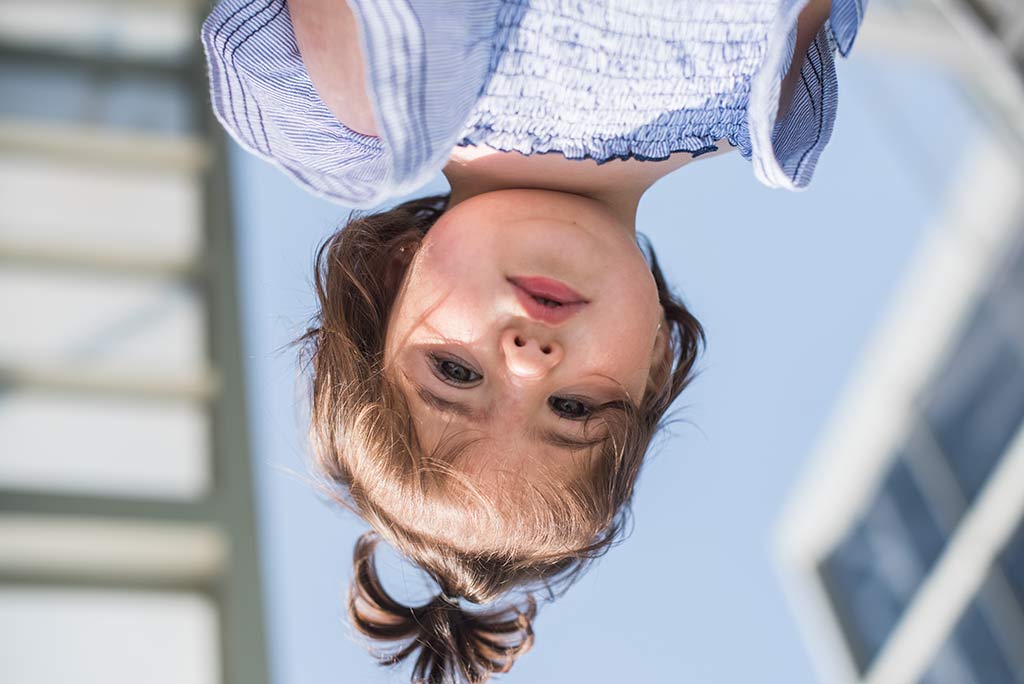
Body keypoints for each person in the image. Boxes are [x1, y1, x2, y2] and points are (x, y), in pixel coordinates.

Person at [202, 1, 863, 682]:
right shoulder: (768, 103)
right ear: (656, 362)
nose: (528, 360)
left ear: (391, 275)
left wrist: (372, 83)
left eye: (455, 373)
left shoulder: (374, 108)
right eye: (572, 409)